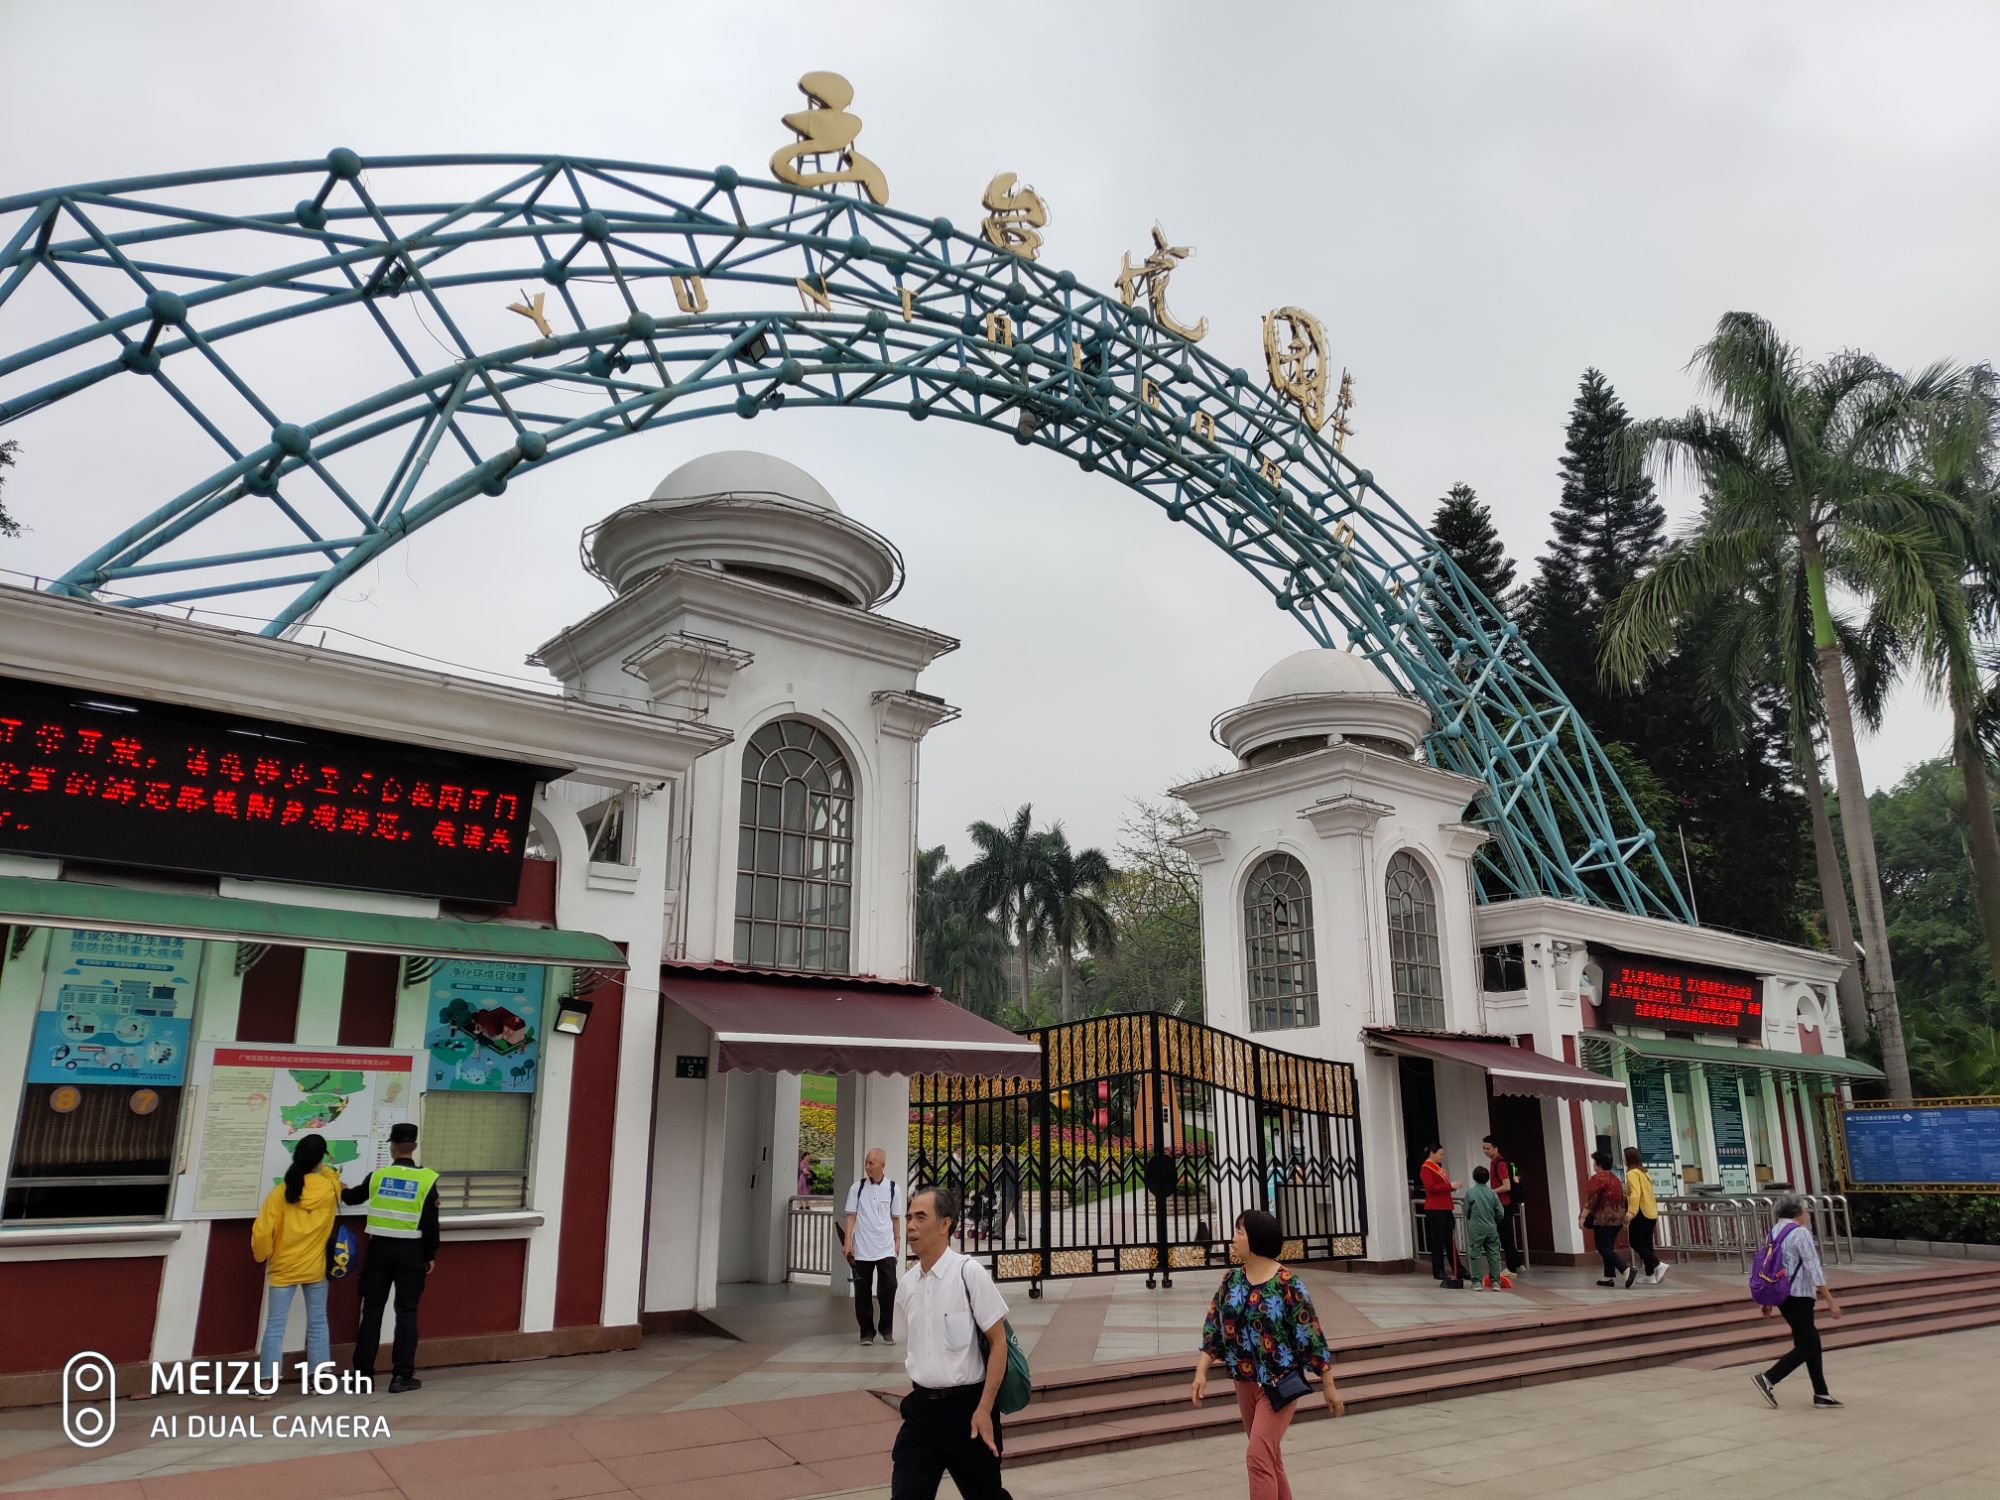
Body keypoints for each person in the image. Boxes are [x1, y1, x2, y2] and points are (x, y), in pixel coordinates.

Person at [1191, 1209, 1342, 1500]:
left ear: (1257, 1239)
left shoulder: (1288, 1284)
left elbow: (1310, 1335)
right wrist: (1201, 1372)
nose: (1233, 1238)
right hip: (1244, 1380)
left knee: (1257, 1456)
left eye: (1239, 1232)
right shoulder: (1231, 1281)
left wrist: (1328, 1384)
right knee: (1269, 1457)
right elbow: (1214, 1328)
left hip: (1279, 1383)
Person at [889, 1186, 1014, 1500]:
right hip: (921, 1413)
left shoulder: (969, 1274)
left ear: (945, 1224)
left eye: (920, 1217)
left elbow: (999, 1343)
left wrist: (984, 1409)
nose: (911, 1226)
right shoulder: (907, 1285)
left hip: (968, 1412)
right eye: (908, 1218)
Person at [342, 1121, 440, 1393]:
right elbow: (431, 1223)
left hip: (379, 1251)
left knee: (372, 1312)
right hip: (412, 1252)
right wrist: (430, 1255)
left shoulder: (377, 1177)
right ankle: (402, 1376)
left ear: (393, 1147)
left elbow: (352, 1198)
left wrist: (340, 1187)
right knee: (406, 1312)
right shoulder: (427, 1179)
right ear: (414, 1147)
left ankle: (362, 1378)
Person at [249, 1132, 342, 1396]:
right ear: (320, 1160)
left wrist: (262, 1256)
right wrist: (325, 1167)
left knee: (275, 1326)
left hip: (283, 1268)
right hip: (316, 1267)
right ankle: (320, 1380)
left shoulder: (280, 1193)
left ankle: (266, 1382)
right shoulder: (329, 1189)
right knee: (318, 1323)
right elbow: (334, 1177)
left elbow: (262, 1233)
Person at [1752, 1197, 1843, 1409]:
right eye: (1805, 1209)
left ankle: (1821, 1393)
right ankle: (1768, 1378)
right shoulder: (1800, 1233)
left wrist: (1767, 1301)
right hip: (1799, 1295)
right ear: (1797, 1212)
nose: (1808, 1213)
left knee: (1811, 1342)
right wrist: (1830, 1301)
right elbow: (1813, 1267)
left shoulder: (1774, 1231)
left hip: (1782, 1294)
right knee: (1807, 1345)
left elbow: (1770, 1267)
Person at [844, 1146, 902, 1346]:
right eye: (866, 1162)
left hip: (886, 1247)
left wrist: (897, 1240)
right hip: (862, 1248)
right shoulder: (857, 1188)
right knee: (862, 1291)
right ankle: (866, 1332)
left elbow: (895, 1218)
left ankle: (887, 1329)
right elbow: (851, 1216)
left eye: (871, 1163)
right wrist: (848, 1243)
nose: (867, 1166)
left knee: (889, 1288)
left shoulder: (893, 1188)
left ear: (882, 1165)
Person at [1578, 1149, 1630, 1288]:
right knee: (1608, 1247)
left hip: (1603, 1219)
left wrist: (1582, 1217)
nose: (1593, 1164)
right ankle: (1608, 1276)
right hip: (1618, 1219)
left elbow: (1591, 1200)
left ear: (1598, 1164)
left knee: (1602, 1248)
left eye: (1594, 1162)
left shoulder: (1597, 1179)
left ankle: (1625, 1269)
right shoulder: (1615, 1179)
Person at [1622, 1147, 1668, 1286]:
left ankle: (1657, 1264)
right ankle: (1650, 1275)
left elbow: (1636, 1194)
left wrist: (1630, 1212)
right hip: (1651, 1212)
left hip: (1640, 1212)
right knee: (1647, 1244)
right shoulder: (1644, 1172)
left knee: (1635, 1242)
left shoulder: (1632, 1173)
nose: (1623, 1159)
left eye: (1624, 1156)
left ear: (1628, 1158)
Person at [1481, 1136, 1525, 1274]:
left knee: (1506, 1237)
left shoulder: (1499, 1164)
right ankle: (1518, 1262)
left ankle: (1511, 1269)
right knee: (1506, 1235)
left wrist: (1490, 1192)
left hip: (1505, 1204)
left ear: (1495, 1148)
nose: (1485, 1151)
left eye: (1488, 1148)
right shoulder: (1494, 1162)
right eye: (1483, 1148)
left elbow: (1506, 1186)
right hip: (1503, 1204)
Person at [1464, 1166, 1511, 1291]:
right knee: (1494, 1254)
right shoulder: (1492, 1193)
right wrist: (1494, 1221)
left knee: (1475, 1254)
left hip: (1476, 1227)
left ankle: (1477, 1282)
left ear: (1474, 1177)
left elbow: (1467, 1211)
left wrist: (1472, 1218)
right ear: (1487, 1178)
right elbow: (1500, 1212)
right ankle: (1495, 1282)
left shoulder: (1470, 1193)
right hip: (1491, 1227)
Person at [1419, 1143, 1461, 1282]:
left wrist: (1452, 1187)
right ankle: (1438, 1270)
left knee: (1450, 1239)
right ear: (1432, 1152)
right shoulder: (1426, 1168)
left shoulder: (1438, 1167)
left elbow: (1441, 1187)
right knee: (1438, 1240)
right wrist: (1450, 1186)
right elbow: (1431, 1188)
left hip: (1445, 1206)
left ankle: (1458, 1269)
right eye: (1440, 1154)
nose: (1442, 1157)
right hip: (1435, 1208)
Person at [994, 1152, 1023, 1246]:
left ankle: (998, 1232)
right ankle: (1022, 1234)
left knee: (1002, 1212)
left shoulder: (1003, 1159)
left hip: (1008, 1190)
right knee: (1019, 1213)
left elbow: (996, 1173)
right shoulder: (1014, 1159)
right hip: (1017, 1189)